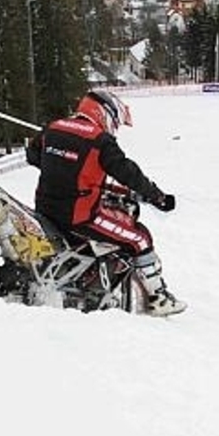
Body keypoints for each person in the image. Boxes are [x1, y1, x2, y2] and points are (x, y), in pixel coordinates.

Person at [26, 89, 185, 317]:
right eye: (115, 121)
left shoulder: (54, 127)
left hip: (46, 209)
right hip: (80, 217)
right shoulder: (100, 141)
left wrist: (64, 167)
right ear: (104, 112)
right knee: (139, 239)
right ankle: (158, 298)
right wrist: (157, 196)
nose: (115, 127)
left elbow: (33, 156)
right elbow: (128, 173)